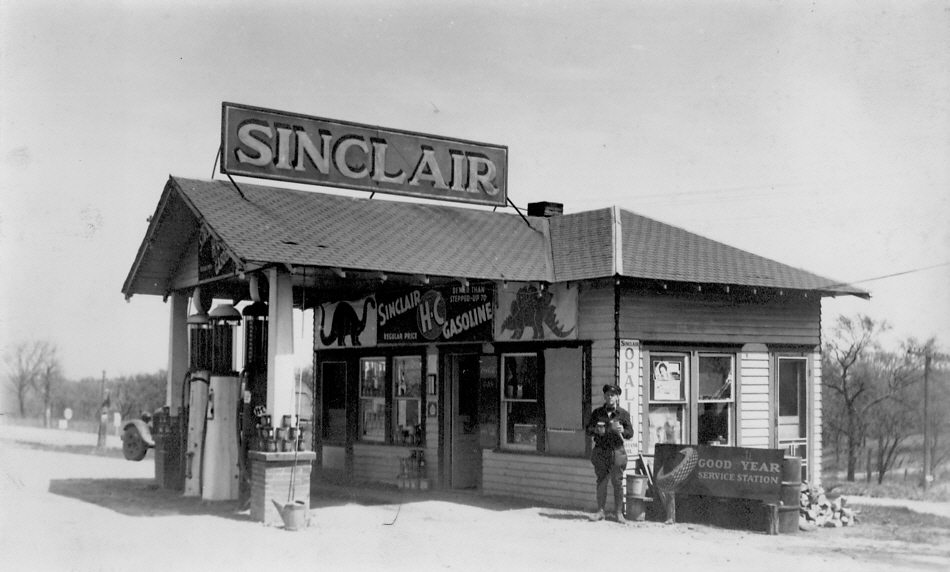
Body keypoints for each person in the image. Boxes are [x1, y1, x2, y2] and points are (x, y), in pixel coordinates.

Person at [586, 384, 634, 523]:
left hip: (617, 451)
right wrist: (595, 430)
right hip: (601, 450)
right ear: (604, 396)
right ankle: (600, 511)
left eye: (612, 395)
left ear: (617, 397)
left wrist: (622, 431)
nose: (609, 397)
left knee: (617, 482)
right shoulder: (597, 413)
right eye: (607, 395)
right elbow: (588, 429)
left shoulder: (623, 414)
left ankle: (619, 513)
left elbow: (630, 433)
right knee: (601, 481)